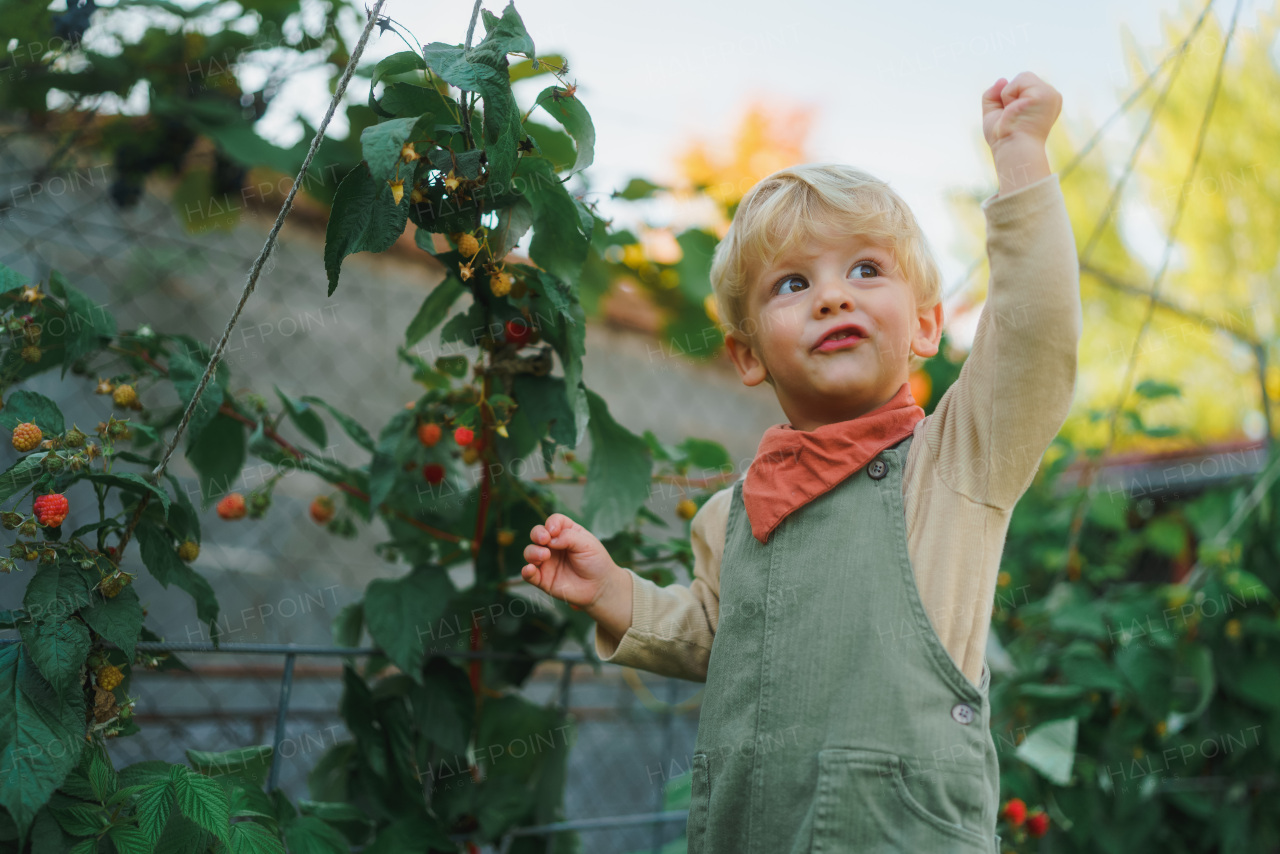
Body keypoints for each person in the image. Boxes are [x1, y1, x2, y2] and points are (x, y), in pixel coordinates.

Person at [520, 71, 1080, 853]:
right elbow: (722, 639)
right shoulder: (733, 515)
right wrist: (617, 593)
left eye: (865, 270)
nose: (831, 297)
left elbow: (1036, 335)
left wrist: (1020, 156)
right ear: (748, 356)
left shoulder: (957, 464)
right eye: (792, 282)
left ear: (924, 324)